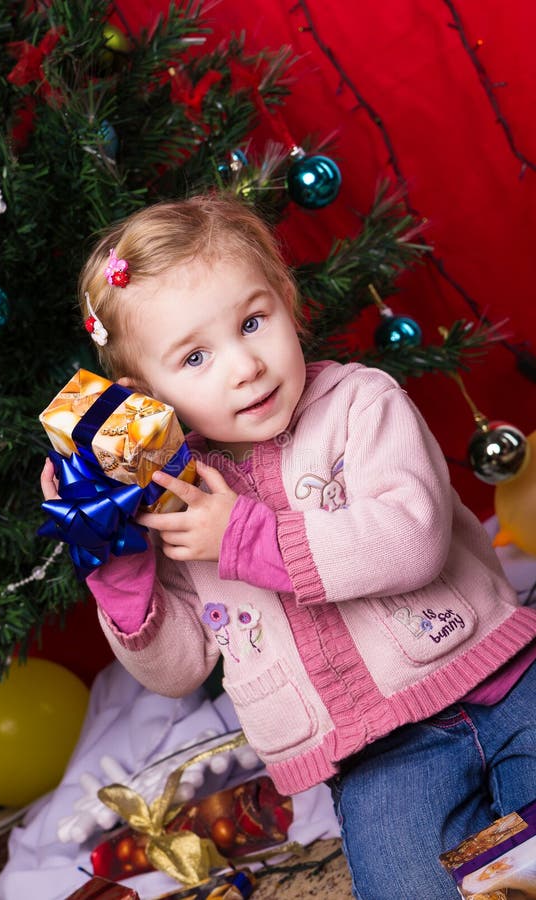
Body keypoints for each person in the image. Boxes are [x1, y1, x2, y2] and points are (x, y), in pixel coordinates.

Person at [41, 192, 536, 899]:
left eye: (252, 321)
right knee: (403, 886)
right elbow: (178, 668)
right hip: (378, 756)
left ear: (286, 300)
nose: (244, 365)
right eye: (196, 357)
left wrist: (242, 535)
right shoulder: (175, 496)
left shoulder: (361, 403)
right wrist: (120, 568)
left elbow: (410, 542)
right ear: (144, 397)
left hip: (505, 683)